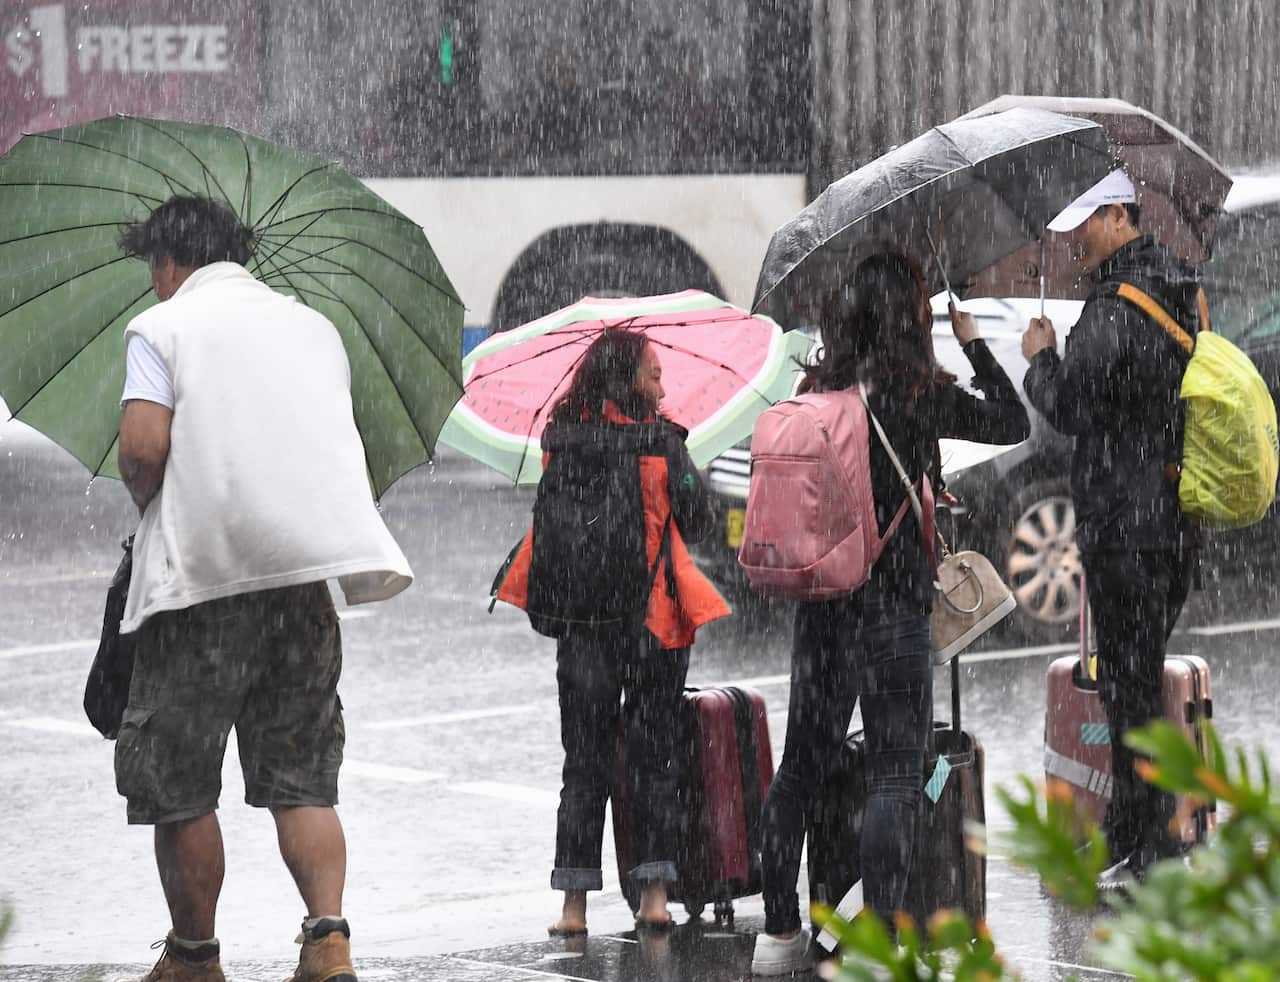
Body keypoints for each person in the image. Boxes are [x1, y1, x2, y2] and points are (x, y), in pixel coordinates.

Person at [114, 195, 413, 982]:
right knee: (301, 779)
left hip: (200, 587)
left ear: (169, 261)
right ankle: (328, 939)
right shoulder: (314, 328)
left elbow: (144, 446)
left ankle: (194, 956)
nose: (153, 286)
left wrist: (148, 497)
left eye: (153, 269)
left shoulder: (163, 328)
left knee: (179, 784)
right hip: (301, 587)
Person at [751, 253, 1030, 976]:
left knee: (799, 772)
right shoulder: (919, 392)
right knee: (894, 780)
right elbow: (1009, 420)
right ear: (912, 317)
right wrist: (974, 343)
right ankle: (876, 946)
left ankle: (778, 933)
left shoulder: (818, 387)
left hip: (823, 611)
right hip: (894, 609)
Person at [493, 329, 729, 935]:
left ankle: (573, 908)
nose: (662, 385)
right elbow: (699, 522)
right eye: (654, 374)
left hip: (581, 626)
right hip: (651, 624)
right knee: (654, 759)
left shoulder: (560, 437)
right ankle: (653, 895)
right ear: (629, 378)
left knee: (584, 764)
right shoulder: (662, 441)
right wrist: (678, 461)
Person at [1021, 169, 1202, 888]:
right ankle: (1135, 832)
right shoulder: (1183, 290)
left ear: (1121, 215)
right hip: (1173, 516)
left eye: (1086, 224)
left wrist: (1040, 359)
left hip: (1124, 526)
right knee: (1138, 681)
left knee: (1129, 690)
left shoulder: (1114, 306)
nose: (1075, 240)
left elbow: (1069, 405)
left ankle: (1149, 846)